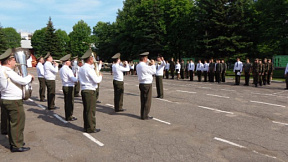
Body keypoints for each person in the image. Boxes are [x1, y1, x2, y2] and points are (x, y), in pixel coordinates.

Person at [0, 48, 34, 152]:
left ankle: (14, 141)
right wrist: (29, 77)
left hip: (6, 98)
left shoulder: (2, 70)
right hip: (13, 100)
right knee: (18, 123)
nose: (16, 62)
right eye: (14, 60)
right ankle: (17, 145)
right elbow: (22, 81)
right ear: (9, 61)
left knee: (12, 123)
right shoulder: (7, 70)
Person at [79, 49, 102, 133]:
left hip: (84, 90)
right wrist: (100, 76)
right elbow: (96, 80)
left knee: (86, 110)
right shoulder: (89, 69)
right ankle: (91, 128)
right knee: (91, 110)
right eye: (92, 58)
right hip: (90, 90)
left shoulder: (82, 68)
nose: (93, 59)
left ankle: (87, 126)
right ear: (90, 59)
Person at [136, 52, 156, 120]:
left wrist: (149, 64)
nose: (147, 59)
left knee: (143, 100)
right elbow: (153, 72)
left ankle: (143, 114)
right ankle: (145, 115)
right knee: (147, 101)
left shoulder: (139, 65)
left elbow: (147, 69)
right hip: (147, 84)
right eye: (146, 58)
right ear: (144, 58)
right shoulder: (144, 66)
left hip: (142, 83)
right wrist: (153, 65)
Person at [59, 54, 78, 121]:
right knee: (70, 102)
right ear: (66, 62)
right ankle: (69, 116)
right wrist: (77, 79)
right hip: (69, 87)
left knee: (67, 102)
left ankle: (68, 115)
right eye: (69, 61)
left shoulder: (62, 68)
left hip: (65, 85)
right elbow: (73, 79)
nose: (70, 62)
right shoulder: (67, 69)